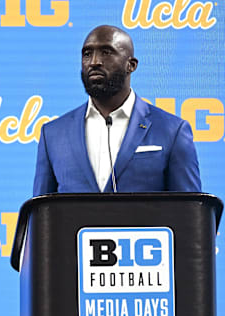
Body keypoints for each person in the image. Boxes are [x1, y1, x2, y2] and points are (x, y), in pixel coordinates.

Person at [33, 25, 201, 196]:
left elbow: (190, 214)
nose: (94, 62)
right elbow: (40, 215)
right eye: (87, 54)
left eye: (106, 52)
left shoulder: (172, 131)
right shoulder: (53, 134)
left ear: (131, 65)